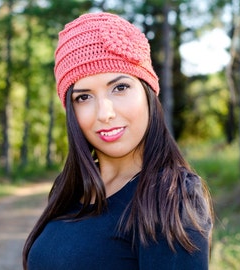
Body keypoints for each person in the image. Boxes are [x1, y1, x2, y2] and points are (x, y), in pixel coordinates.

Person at [23, 12, 213, 270]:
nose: (105, 113)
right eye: (83, 97)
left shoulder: (170, 198)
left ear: (147, 91)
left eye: (120, 87)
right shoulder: (71, 188)